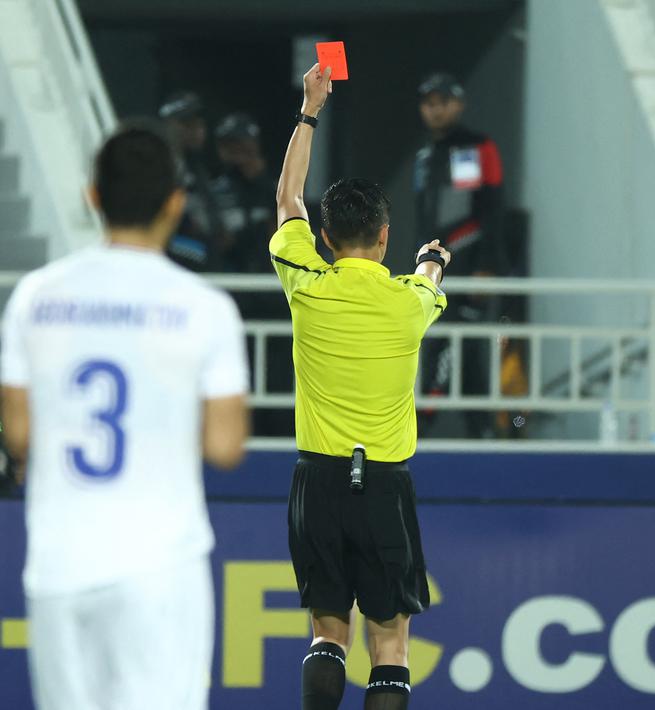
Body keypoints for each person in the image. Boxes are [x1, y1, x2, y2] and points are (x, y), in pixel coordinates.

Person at [0, 124, 250, 709]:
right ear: (175, 203)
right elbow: (225, 446)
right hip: (159, 563)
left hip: (61, 562)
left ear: (93, 196)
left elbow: (19, 433)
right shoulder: (204, 308)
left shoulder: (35, 297)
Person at [272, 64, 450, 710]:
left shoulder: (307, 286)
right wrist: (431, 261)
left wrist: (309, 110)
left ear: (323, 238)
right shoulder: (408, 303)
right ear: (384, 236)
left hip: (317, 480)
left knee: (327, 633)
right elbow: (427, 278)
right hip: (383, 484)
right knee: (391, 644)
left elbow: (287, 200)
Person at [412, 72, 506, 438]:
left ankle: (436, 424)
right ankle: (471, 429)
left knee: (460, 345)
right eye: (428, 104)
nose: (435, 111)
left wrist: (487, 265)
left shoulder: (480, 146)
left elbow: (493, 208)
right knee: (443, 344)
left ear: (458, 105)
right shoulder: (424, 155)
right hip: (435, 268)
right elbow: (425, 218)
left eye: (442, 103)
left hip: (470, 267)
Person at [160, 91, 227, 270]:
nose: (195, 130)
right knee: (204, 255)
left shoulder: (197, 165)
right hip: (165, 242)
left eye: (198, 123)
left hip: (197, 243)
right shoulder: (160, 164)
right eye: (187, 124)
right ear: (169, 126)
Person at [212, 112, 278, 273]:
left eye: (240, 143)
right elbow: (219, 240)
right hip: (228, 273)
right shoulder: (216, 190)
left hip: (268, 275)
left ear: (254, 144)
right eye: (229, 144)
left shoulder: (274, 189)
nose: (235, 149)